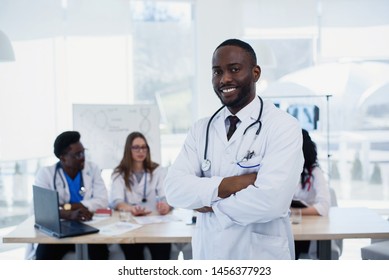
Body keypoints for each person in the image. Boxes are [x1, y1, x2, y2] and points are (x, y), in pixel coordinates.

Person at [164, 38, 304, 260]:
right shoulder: (201, 129)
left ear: (256, 73)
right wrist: (234, 183)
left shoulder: (283, 126)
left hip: (259, 257)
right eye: (217, 72)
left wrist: (208, 202)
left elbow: (272, 202)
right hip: (210, 253)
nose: (224, 79)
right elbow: (173, 189)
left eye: (234, 69)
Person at [29, 131, 109, 260]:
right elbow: (40, 209)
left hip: (89, 224)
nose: (83, 157)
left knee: (100, 253)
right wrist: (70, 214)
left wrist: (64, 207)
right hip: (59, 227)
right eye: (78, 154)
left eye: (83, 152)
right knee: (44, 255)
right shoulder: (46, 174)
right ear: (63, 158)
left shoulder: (92, 169)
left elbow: (103, 200)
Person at [109, 131, 172, 260]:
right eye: (136, 147)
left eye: (144, 147)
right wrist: (131, 208)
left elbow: (166, 196)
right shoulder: (118, 173)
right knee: (133, 256)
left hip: (155, 224)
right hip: (130, 225)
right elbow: (116, 201)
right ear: (128, 150)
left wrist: (166, 206)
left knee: (162, 253)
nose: (140, 151)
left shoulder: (158, 171)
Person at [292, 129, 330, 259]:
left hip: (310, 230)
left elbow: (324, 207)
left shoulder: (315, 172)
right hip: (290, 225)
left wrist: (295, 212)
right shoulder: (288, 170)